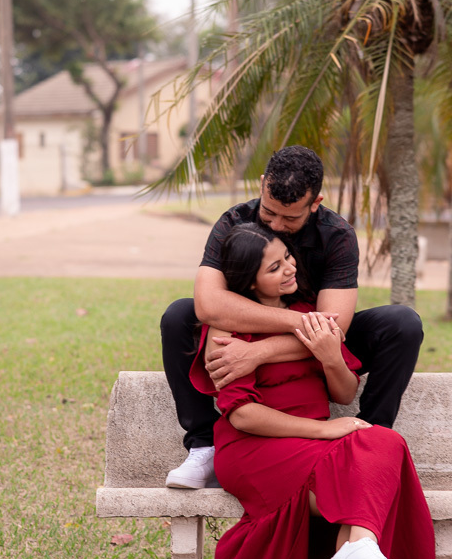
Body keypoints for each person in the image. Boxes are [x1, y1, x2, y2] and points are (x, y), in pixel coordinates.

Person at [189, 222, 444, 559]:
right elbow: (242, 414)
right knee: (363, 463)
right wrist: (324, 431)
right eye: (275, 266)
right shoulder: (226, 330)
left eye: (287, 257)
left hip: (308, 449)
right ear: (250, 282)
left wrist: (329, 355)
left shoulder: (309, 315)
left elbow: (344, 393)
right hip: (254, 449)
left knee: (383, 443)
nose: (289, 268)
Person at [161, 145, 424, 489]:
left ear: (316, 203)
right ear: (261, 185)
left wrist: (258, 353)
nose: (276, 225)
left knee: (402, 324)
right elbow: (209, 305)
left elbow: (335, 330)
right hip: (249, 332)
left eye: (290, 218)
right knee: (179, 315)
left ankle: (369, 437)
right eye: (270, 213)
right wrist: (299, 322)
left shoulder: (338, 235)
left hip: (316, 344)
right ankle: (202, 443)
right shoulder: (234, 221)